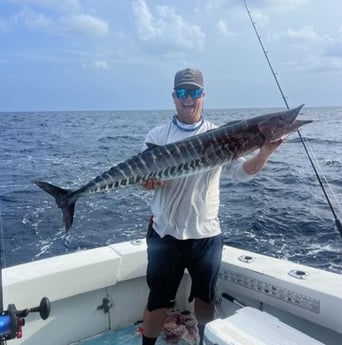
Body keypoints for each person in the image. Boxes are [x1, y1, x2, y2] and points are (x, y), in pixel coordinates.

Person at [140, 68, 284, 345]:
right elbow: (142, 176)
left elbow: (241, 172)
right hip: (165, 232)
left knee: (205, 298)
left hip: (205, 233)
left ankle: (206, 341)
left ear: (203, 96)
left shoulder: (221, 135)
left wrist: (264, 153)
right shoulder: (157, 135)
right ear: (174, 97)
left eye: (194, 92)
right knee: (157, 300)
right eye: (182, 93)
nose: (188, 99)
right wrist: (144, 183)